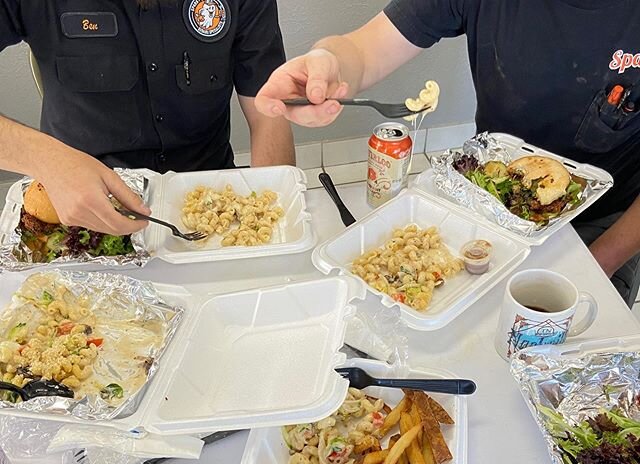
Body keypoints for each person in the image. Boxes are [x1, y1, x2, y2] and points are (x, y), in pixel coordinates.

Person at [255, 1, 640, 307]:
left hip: (607, 230)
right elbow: (363, 50)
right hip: (488, 208)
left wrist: (597, 264)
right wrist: (328, 64)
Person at [0, 0, 294, 235]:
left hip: (210, 212)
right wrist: (47, 159)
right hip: (85, 212)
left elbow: (268, 114)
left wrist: (271, 223)